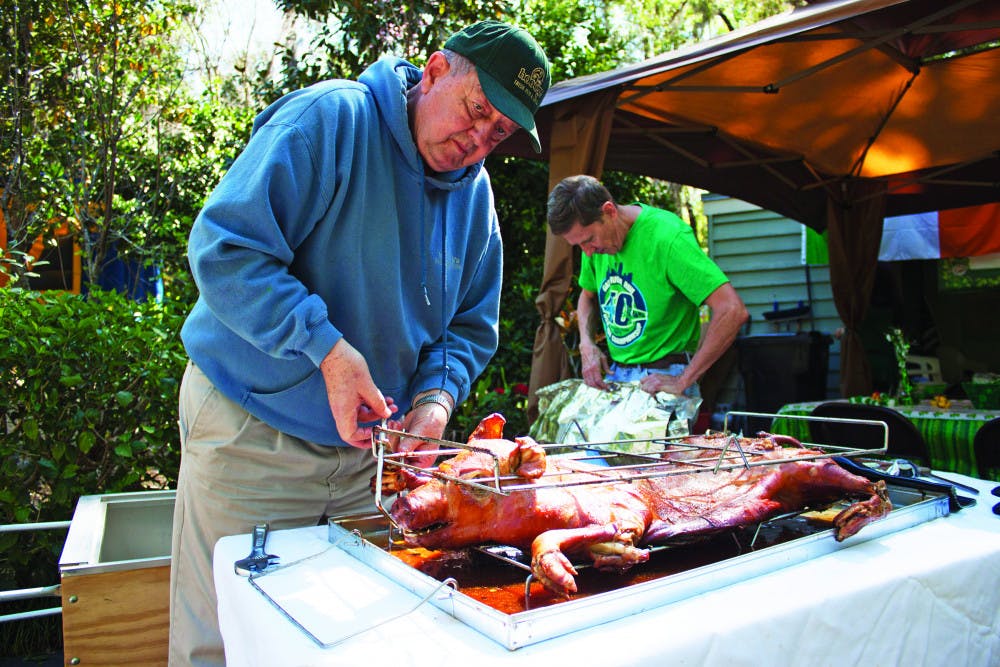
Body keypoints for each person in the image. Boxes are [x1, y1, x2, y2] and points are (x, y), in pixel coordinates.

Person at [170, 20, 550, 665]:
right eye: (476, 110)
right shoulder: (332, 118)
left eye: (500, 132)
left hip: (371, 461)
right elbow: (226, 250)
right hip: (254, 434)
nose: (478, 140)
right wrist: (325, 347)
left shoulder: (477, 196)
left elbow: (467, 327)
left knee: (356, 638)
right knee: (224, 636)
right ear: (434, 72)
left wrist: (435, 399)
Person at [546, 174, 748, 400]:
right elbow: (587, 296)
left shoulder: (668, 237)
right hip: (618, 375)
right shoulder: (596, 247)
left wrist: (685, 379)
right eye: (579, 245)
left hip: (664, 375)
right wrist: (587, 343)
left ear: (609, 211)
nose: (587, 252)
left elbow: (732, 310)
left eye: (588, 239)